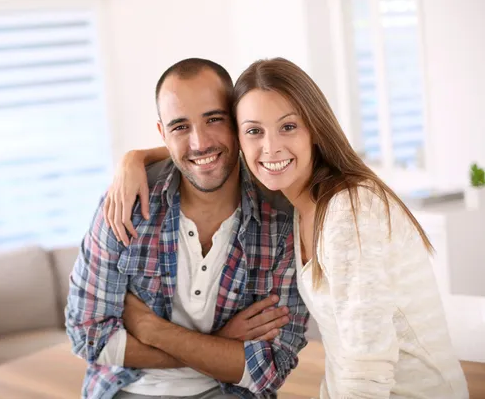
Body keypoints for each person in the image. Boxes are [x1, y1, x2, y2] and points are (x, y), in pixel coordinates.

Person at [104, 57, 469, 398]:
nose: (271, 148)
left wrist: (154, 330)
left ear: (314, 128)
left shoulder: (350, 212)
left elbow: (366, 369)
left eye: (288, 127)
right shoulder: (298, 202)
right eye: (254, 131)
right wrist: (134, 158)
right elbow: (203, 150)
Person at [65, 58, 309, 399]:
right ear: (163, 134)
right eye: (180, 127)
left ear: (237, 122)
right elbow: (87, 336)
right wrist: (220, 346)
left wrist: (153, 330)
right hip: (125, 390)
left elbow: (272, 366)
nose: (200, 142)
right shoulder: (126, 203)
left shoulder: (280, 220)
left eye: (214, 119)